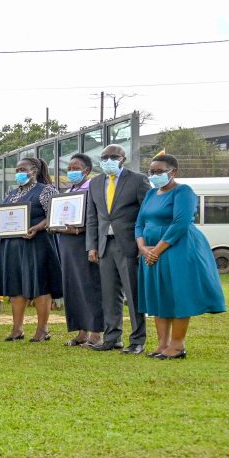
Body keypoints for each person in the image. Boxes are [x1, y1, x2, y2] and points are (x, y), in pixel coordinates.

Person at [136, 154, 226, 359]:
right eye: (151, 171)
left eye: (159, 171)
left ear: (172, 171)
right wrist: (142, 247)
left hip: (177, 248)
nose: (154, 175)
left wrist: (156, 250)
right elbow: (139, 223)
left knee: (177, 293)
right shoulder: (150, 194)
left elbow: (180, 223)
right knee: (158, 294)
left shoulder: (183, 192)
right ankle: (162, 344)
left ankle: (177, 345)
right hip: (149, 251)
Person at [85, 144, 151, 355]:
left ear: (123, 159)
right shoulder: (95, 183)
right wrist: (92, 246)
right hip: (105, 245)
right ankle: (112, 337)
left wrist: (143, 243)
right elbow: (92, 217)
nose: (108, 160)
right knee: (109, 294)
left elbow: (147, 213)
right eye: (104, 157)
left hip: (130, 244)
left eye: (113, 157)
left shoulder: (137, 180)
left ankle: (137, 340)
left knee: (133, 294)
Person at [0, 156, 63, 342]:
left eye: (22, 170)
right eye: (17, 170)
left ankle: (43, 329)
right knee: (16, 286)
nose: (19, 173)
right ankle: (17, 329)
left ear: (34, 171)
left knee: (40, 285)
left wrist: (38, 227)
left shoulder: (46, 190)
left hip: (38, 244)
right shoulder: (11, 193)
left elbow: (54, 215)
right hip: (12, 246)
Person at [54, 154, 103, 347]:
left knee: (89, 286)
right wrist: (54, 225)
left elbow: (98, 216)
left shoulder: (93, 188)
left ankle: (96, 333)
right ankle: (81, 331)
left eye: (77, 168)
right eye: (70, 168)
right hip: (67, 243)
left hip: (84, 242)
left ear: (87, 170)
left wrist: (80, 229)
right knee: (73, 287)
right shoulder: (69, 190)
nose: (72, 171)